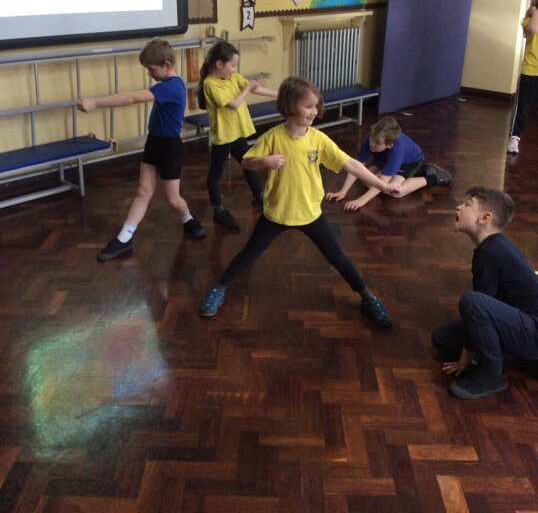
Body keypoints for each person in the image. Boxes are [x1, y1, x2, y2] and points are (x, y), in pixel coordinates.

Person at [198, 76, 401, 326]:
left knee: (338, 257)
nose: (314, 111)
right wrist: (264, 161)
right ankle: (218, 290)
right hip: (277, 213)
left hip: (310, 213)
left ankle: (369, 298)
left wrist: (383, 185)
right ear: (290, 105)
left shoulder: (318, 139)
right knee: (249, 253)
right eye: (308, 106)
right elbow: (247, 162)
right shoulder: (273, 137)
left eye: (316, 106)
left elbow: (351, 164)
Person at [78, 37, 205, 261]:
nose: (149, 73)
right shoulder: (165, 85)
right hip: (154, 142)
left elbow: (131, 98)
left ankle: (188, 218)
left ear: (167, 65)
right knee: (143, 191)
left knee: (173, 199)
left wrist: (96, 103)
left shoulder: (172, 87)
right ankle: (124, 238)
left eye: (152, 69)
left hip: (170, 148)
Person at [431, 186, 538, 400]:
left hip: (533, 331)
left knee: (472, 302)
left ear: (485, 218)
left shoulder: (491, 253)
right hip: (522, 323)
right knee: (442, 339)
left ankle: (492, 375)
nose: (459, 207)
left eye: (467, 204)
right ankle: (520, 359)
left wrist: (464, 358)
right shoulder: (494, 247)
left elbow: (479, 306)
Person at [198, 40, 278, 230]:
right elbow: (234, 103)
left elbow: (254, 88)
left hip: (238, 133)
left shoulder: (232, 77)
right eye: (233, 65)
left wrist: (279, 94)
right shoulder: (210, 84)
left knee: (248, 163)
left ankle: (259, 198)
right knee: (214, 176)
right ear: (219, 64)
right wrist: (248, 88)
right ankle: (219, 210)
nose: (235, 70)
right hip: (224, 137)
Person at [326, 116, 452, 210]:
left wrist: (361, 201)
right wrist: (343, 192)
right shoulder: (372, 139)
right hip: (386, 161)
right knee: (366, 179)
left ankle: (433, 177)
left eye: (377, 143)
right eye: (372, 139)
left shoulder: (397, 150)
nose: (372, 144)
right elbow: (356, 166)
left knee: (395, 192)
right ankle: (389, 172)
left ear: (389, 145)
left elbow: (383, 184)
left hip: (411, 163)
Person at [508, 0, 538, 154]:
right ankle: (514, 138)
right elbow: (533, 29)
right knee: (523, 108)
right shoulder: (530, 18)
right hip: (531, 69)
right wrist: (535, 11)